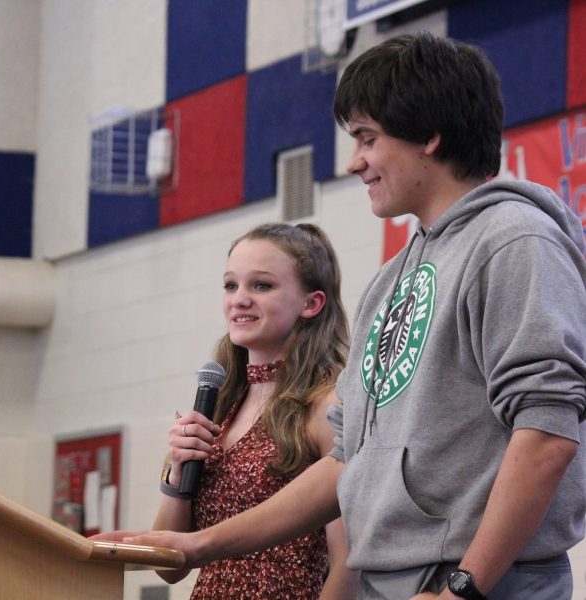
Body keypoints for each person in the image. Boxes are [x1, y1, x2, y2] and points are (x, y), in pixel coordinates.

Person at [99, 32, 586, 599]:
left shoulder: (513, 241)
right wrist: (201, 543)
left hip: (476, 582)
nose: (354, 162)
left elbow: (547, 431)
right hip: (396, 580)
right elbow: (346, 462)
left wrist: (466, 587)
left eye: (367, 139)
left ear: (430, 135)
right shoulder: (389, 279)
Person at [154, 223, 359, 598]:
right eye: (231, 285)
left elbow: (349, 563)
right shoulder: (221, 405)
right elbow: (168, 569)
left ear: (311, 303)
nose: (239, 299)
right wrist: (175, 474)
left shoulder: (326, 406)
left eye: (261, 286)